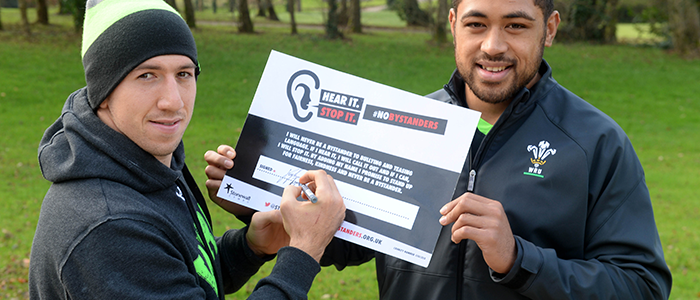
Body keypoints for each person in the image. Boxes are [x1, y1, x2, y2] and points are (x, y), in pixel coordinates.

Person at [204, 0, 673, 298]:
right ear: (453, 24)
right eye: (476, 24)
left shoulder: (596, 142)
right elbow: (350, 242)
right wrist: (260, 198)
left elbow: (643, 286)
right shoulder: (404, 122)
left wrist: (518, 259)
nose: (493, 45)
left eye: (515, 25)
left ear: (548, 28)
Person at [29, 0, 346, 299]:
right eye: (147, 75)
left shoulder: (149, 163)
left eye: (183, 74)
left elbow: (182, 273)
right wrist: (303, 253)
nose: (173, 101)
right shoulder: (109, 228)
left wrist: (249, 247)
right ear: (104, 92)